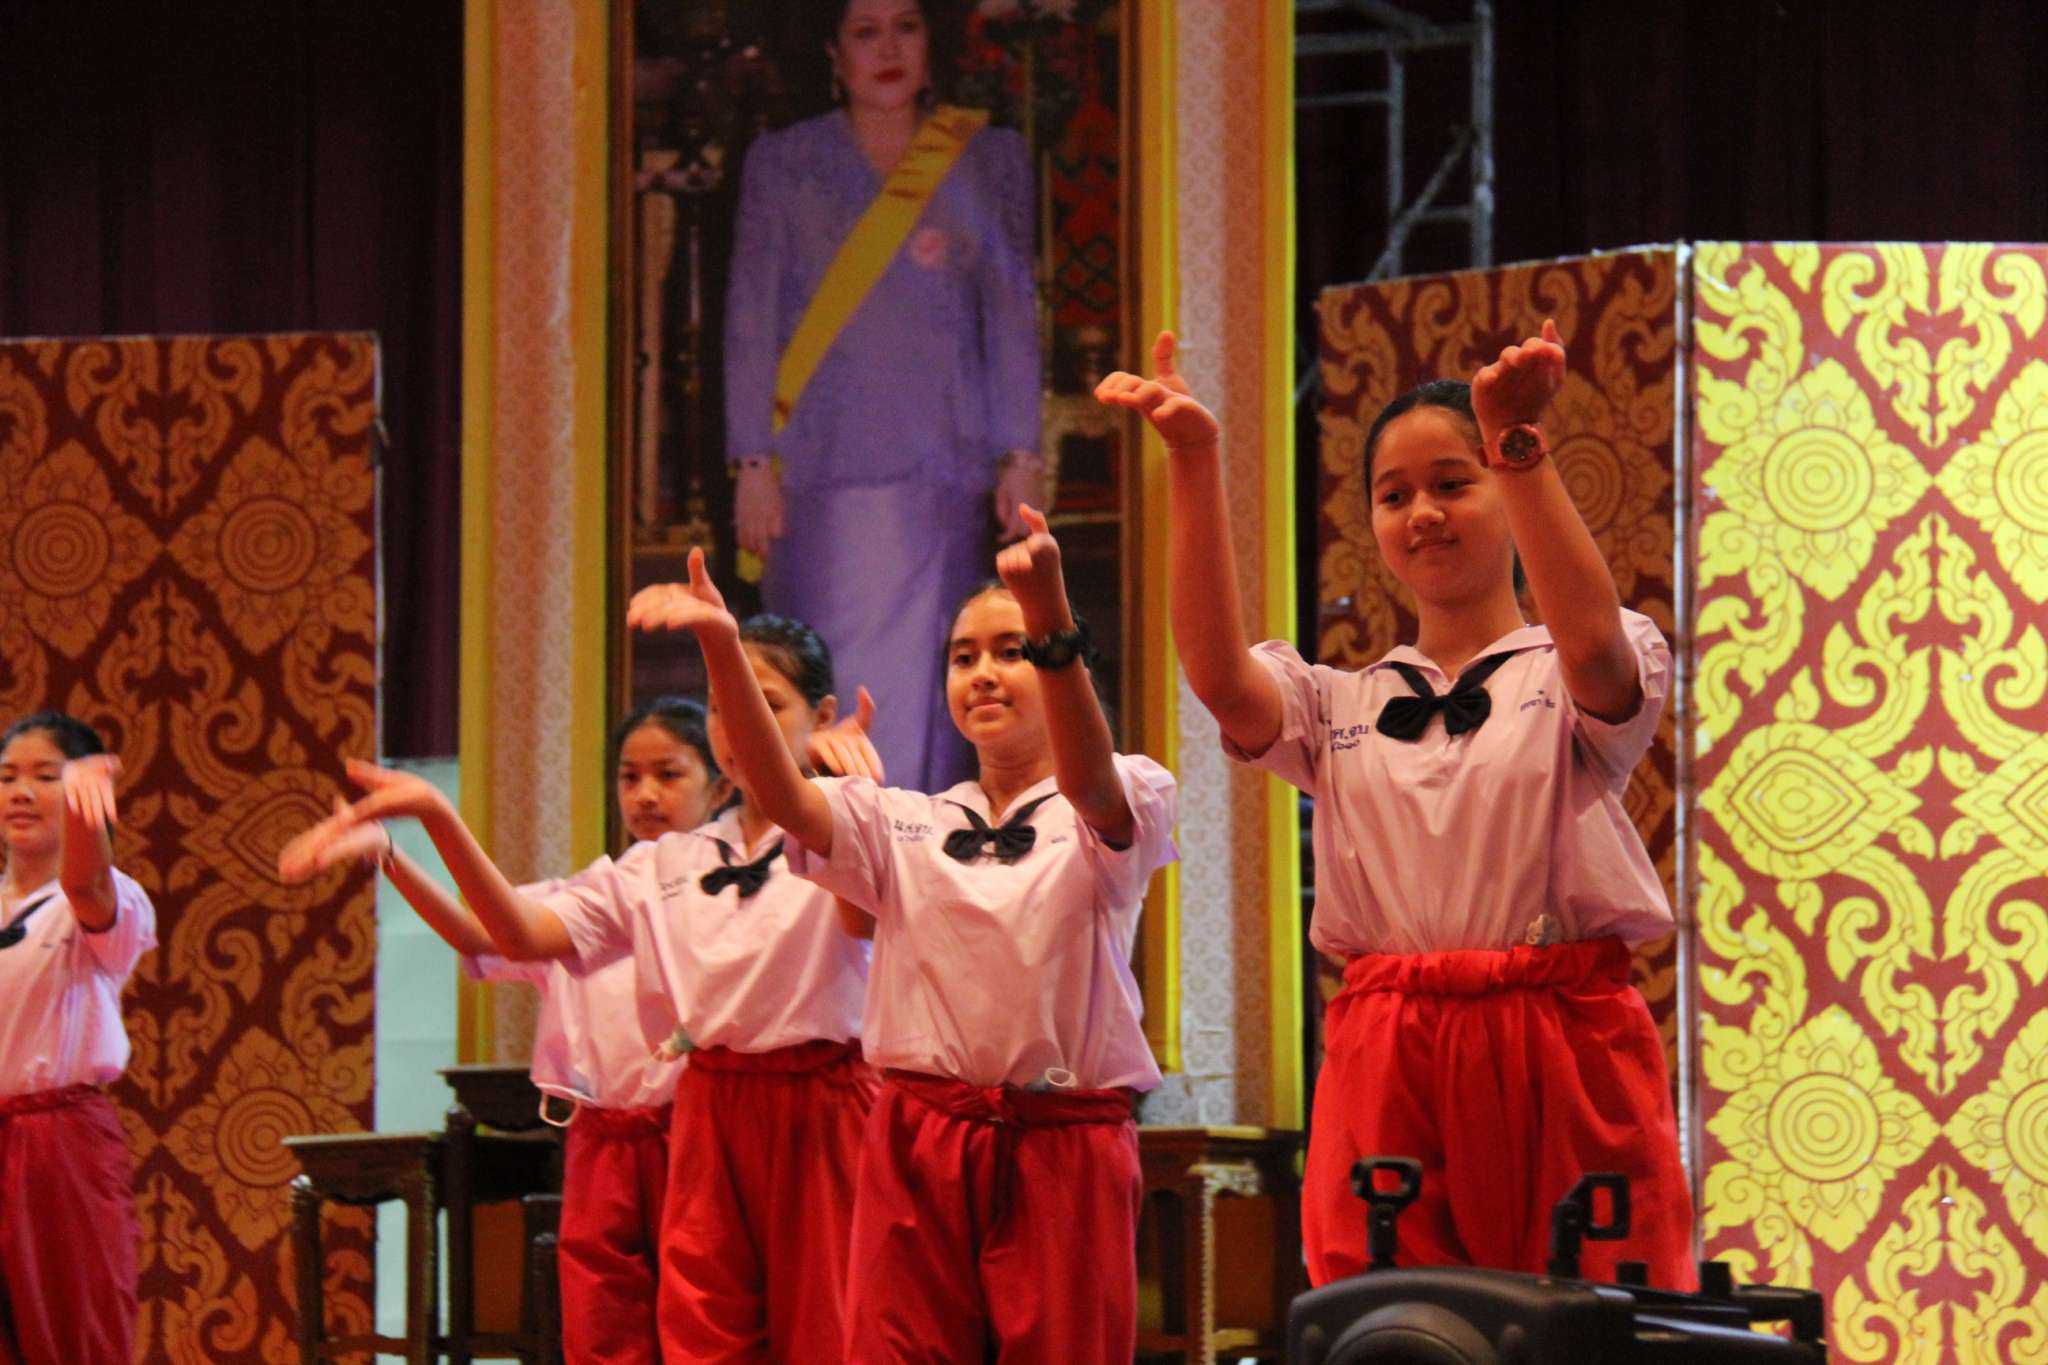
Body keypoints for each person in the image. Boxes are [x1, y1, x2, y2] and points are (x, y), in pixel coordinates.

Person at [1098, 324, 1693, 1288]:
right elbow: (1218, 674)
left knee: (1586, 1310)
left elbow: (1593, 652)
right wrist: (1195, 460)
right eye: (1393, 494)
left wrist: (1517, 441)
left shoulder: (1572, 659)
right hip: (1390, 1043)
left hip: (1559, 1035)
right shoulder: (1338, 701)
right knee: (1395, 1319)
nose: (1423, 513)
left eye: (1454, 482)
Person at [627, 506, 1177, 1361]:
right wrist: (723, 649)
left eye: (1010, 650)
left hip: (1062, 1139)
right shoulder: (905, 820)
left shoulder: (1125, 791)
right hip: (918, 1133)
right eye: (963, 657)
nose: (984, 673)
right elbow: (785, 795)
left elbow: (1094, 788)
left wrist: (1051, 621)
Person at [281, 622, 876, 1361]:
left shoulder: (853, 824)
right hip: (709, 1110)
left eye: (766, 704)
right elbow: (513, 933)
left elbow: (862, 914)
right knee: (699, 1337)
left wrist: (846, 800)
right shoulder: (662, 864)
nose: (740, 728)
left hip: (822, 1108)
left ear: (822, 717)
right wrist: (435, 818)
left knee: (828, 1332)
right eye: (723, 708)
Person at [285, 698, 721, 1364]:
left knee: (702, 1324)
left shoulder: (728, 890)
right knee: (603, 1327)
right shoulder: (592, 894)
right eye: (629, 777)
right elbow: (477, 931)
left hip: (694, 1134)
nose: (646, 794)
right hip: (600, 1138)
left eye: (669, 774)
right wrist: (391, 856)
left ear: (720, 786)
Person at [724, 0, 1043, 791]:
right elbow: (751, 318)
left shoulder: (986, 157)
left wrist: (1022, 454)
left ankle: (916, 861)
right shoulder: (784, 162)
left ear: (932, 41)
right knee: (824, 690)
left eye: (906, 26)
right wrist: (751, 461)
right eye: (865, 33)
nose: (888, 49)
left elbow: (1010, 316)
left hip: (944, 475)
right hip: (817, 477)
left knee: (936, 703)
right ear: (834, 53)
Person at [0, 711, 156, 1365]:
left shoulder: (103, 898)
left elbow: (84, 881)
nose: (21, 792)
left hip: (59, 1144)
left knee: (75, 1336)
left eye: (46, 777)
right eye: (7, 777)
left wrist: (88, 820)